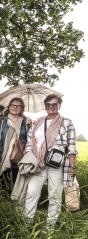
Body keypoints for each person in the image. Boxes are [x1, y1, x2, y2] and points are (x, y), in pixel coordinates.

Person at [23, 94, 77, 230]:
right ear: (44, 106)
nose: (51, 107)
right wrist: (31, 158)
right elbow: (30, 142)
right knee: (31, 192)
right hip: (38, 164)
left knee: (55, 195)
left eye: (54, 104)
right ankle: (26, 223)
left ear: (59, 105)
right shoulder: (37, 122)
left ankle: (50, 226)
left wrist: (72, 166)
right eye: (48, 104)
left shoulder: (67, 122)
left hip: (57, 165)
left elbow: (71, 147)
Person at [0, 98, 28, 197]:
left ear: (22, 108)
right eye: (13, 105)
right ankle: (1, 206)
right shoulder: (1, 121)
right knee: (1, 184)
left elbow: (29, 140)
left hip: (18, 158)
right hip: (1, 156)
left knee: (16, 185)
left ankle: (14, 207)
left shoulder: (26, 122)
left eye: (18, 106)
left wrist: (29, 126)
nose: (15, 107)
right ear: (8, 106)